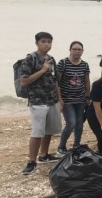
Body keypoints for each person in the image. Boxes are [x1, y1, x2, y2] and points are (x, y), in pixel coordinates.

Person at [21, 32, 62, 175]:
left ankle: (44, 155)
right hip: (37, 101)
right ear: (37, 43)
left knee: (49, 130)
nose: (46, 44)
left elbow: (56, 80)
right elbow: (24, 81)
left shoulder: (51, 59)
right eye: (43, 41)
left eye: (49, 42)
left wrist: (60, 99)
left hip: (52, 100)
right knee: (37, 132)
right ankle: (31, 161)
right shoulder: (30, 59)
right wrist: (42, 70)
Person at [56, 41, 91, 155]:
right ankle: (61, 146)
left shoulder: (85, 65)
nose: (77, 51)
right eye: (74, 49)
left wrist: (88, 96)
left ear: (82, 51)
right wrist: (59, 99)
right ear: (70, 50)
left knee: (79, 124)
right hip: (67, 100)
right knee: (71, 123)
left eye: (79, 49)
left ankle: (76, 144)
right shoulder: (63, 63)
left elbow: (86, 81)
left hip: (80, 99)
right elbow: (57, 82)